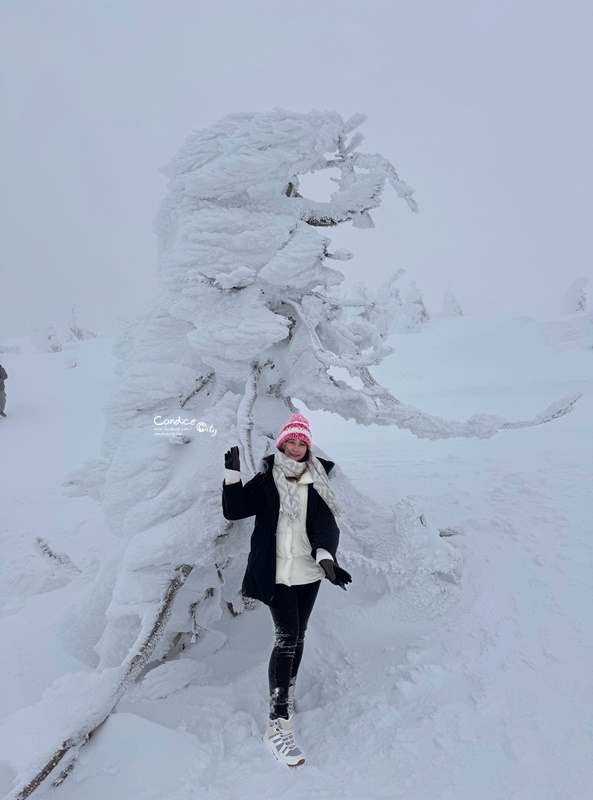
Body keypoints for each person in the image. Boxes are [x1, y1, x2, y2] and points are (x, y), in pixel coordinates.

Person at [222, 414, 352, 767]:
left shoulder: (318, 480)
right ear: (281, 444)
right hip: (276, 573)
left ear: (308, 447)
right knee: (286, 637)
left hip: (308, 572)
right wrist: (232, 475)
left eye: (301, 443)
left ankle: (288, 688)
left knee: (300, 634)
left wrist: (326, 558)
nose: (295, 449)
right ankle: (276, 725)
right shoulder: (267, 480)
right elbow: (235, 511)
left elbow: (327, 525)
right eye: (290, 442)